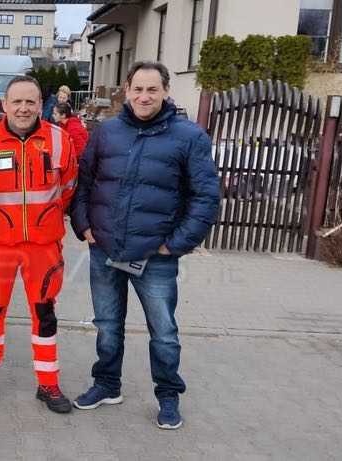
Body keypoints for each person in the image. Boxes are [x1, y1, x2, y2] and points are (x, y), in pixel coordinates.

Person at [69, 61, 220, 429]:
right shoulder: (107, 132)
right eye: (138, 89)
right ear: (127, 90)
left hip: (155, 255)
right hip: (105, 248)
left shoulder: (189, 137)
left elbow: (206, 197)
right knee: (107, 324)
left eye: (152, 89)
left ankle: (168, 396)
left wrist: (177, 244)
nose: (144, 96)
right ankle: (106, 384)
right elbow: (84, 183)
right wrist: (83, 225)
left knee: (163, 332)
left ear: (166, 91)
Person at [0, 75, 81, 414]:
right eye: (17, 102)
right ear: (4, 105)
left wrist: (42, 221)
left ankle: (49, 383)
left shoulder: (60, 141)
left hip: (43, 247)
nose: (24, 108)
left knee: (44, 315)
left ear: (41, 104)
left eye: (31, 101)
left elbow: (69, 186)